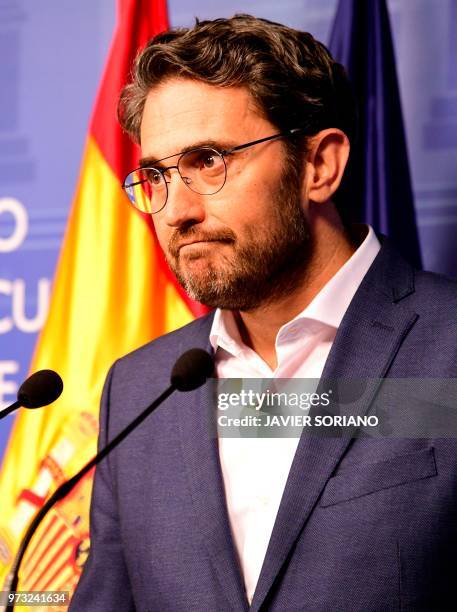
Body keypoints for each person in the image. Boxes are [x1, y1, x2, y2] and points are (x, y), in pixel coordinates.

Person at [70, 14, 457, 611]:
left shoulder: (448, 347)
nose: (176, 212)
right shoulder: (140, 388)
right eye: (155, 176)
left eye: (208, 161)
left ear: (318, 166)